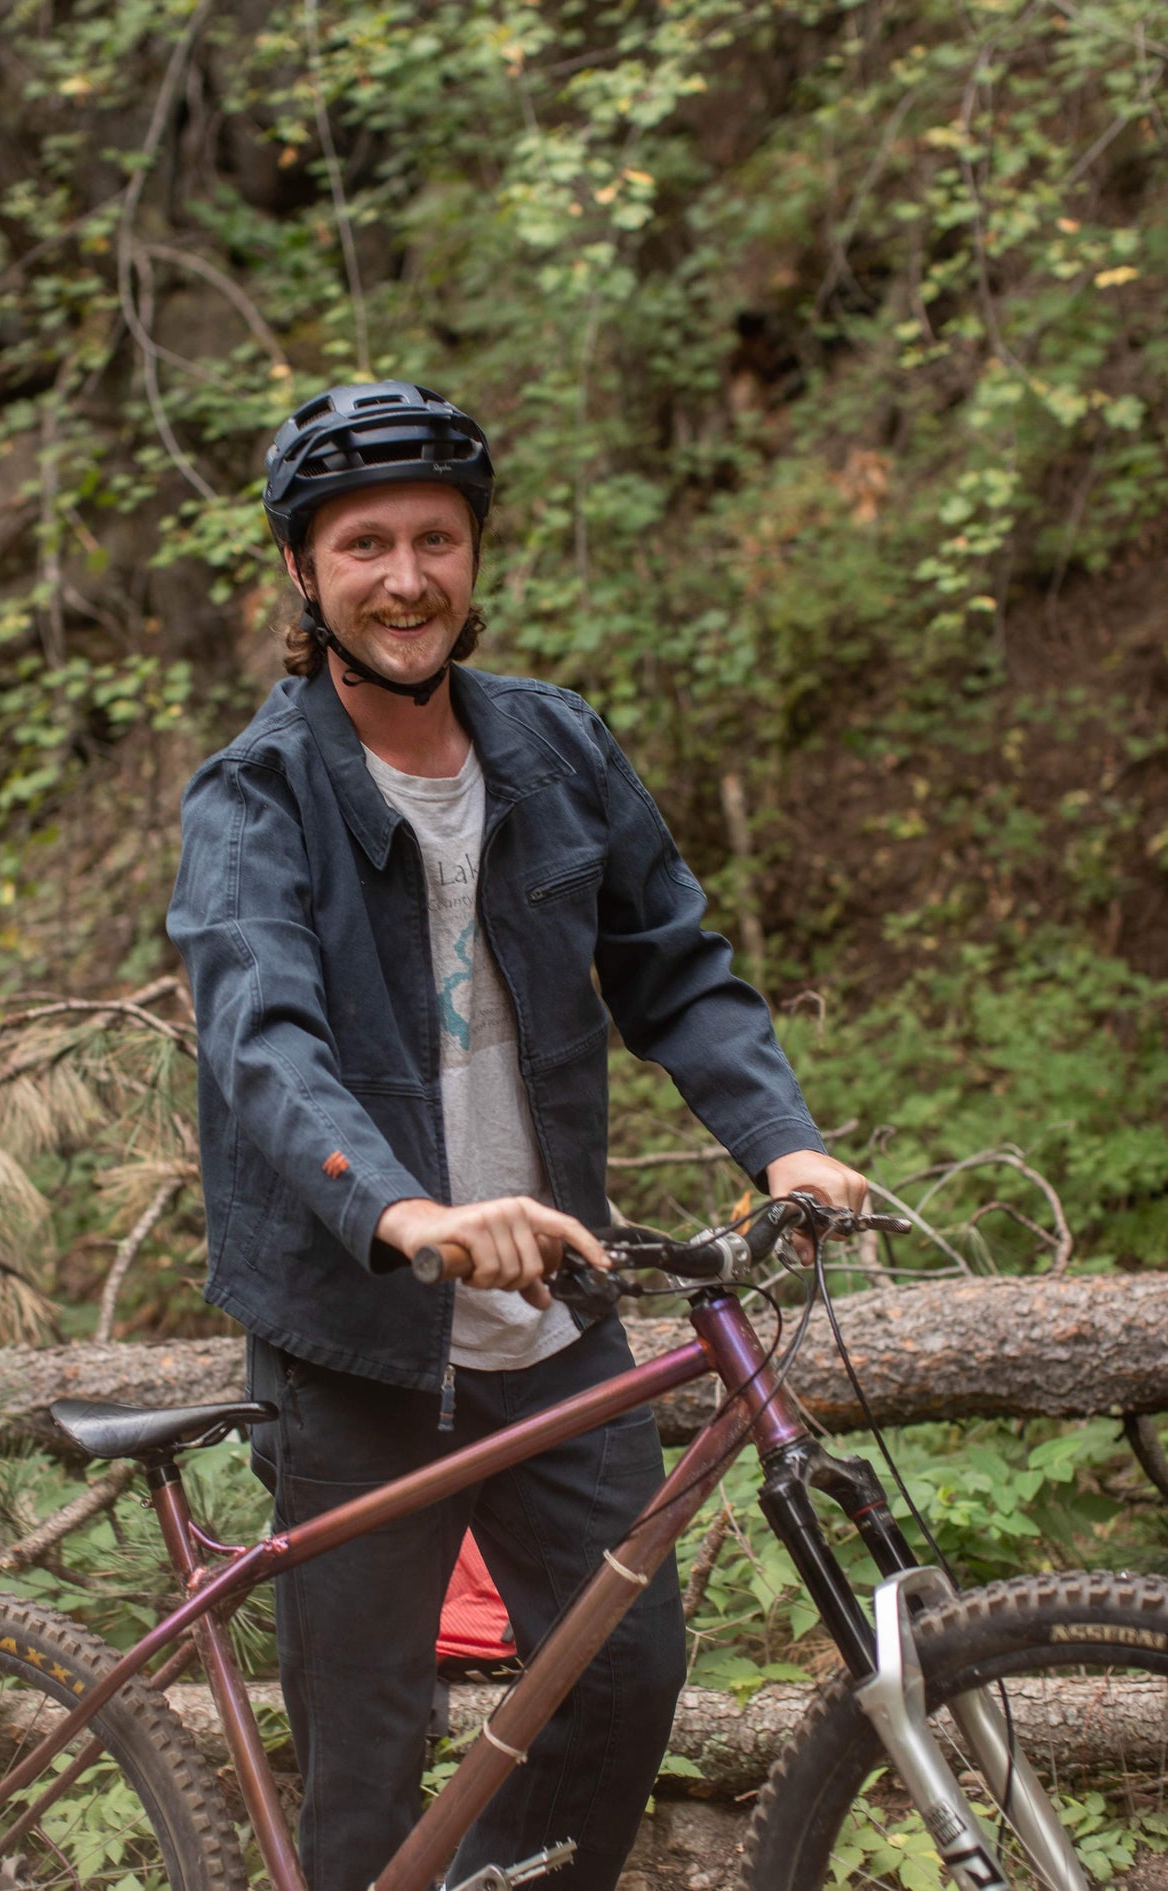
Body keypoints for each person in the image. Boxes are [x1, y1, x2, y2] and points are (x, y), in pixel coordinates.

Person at [167, 381, 866, 1891]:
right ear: (303, 571)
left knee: (624, 1681)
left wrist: (784, 1143)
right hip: (357, 1343)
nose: (405, 577)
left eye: (436, 538)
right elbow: (260, 1045)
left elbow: (674, 969)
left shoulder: (556, 752)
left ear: (476, 556)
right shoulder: (256, 798)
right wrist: (407, 1213)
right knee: (367, 1746)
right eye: (364, 545)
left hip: (555, 1318)